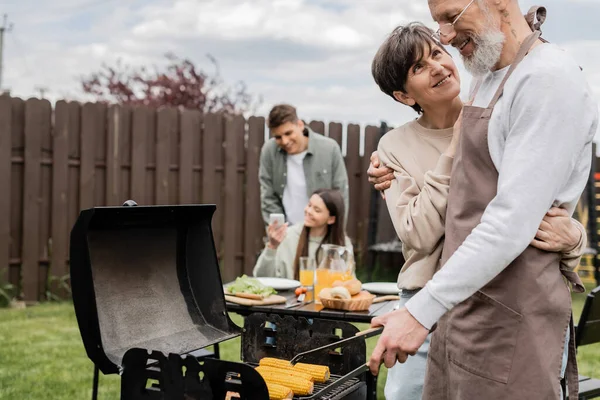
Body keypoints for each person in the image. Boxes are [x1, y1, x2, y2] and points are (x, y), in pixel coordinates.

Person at [367, 2, 598, 399]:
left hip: (513, 311)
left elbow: (512, 220)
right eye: (438, 22)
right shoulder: (486, 80)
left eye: (450, 17)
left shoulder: (546, 78)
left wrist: (574, 236)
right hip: (464, 309)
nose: (444, 37)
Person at [259, 104, 349, 227]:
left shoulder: (329, 149)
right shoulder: (269, 151)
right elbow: (268, 197)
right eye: (278, 137)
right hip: (287, 233)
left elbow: (340, 196)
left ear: (300, 125)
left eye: (288, 133)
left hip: (322, 233)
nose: (285, 141)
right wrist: (279, 231)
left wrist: (335, 235)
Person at [253, 188, 353, 279]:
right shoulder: (288, 236)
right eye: (309, 205)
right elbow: (261, 277)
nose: (308, 211)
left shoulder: (342, 245)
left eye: (316, 210)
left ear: (331, 219)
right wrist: (272, 247)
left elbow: (349, 282)